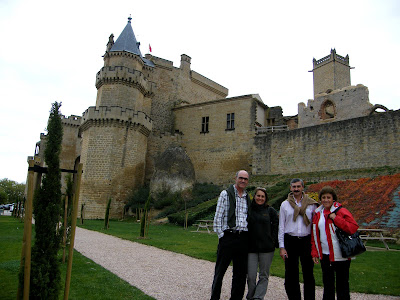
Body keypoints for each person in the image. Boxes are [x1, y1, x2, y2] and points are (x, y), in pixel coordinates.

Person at [311, 186, 359, 300]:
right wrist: (314, 252)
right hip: (325, 255)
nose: (326, 200)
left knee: (342, 285)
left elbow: (353, 228)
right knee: (328, 285)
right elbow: (314, 234)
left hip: (340, 255)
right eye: (323, 197)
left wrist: (336, 219)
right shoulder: (318, 213)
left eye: (328, 197)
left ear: (333, 199)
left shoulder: (341, 211)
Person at [210, 170, 251, 300]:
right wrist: (222, 236)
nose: (243, 181)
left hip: (243, 238)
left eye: (245, 179)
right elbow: (218, 217)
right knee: (220, 271)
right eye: (241, 178)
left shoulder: (247, 197)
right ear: (235, 178)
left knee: (240, 274)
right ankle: (215, 297)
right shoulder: (225, 194)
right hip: (228, 236)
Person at [278, 178, 318, 300]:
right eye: (294, 187)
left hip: (306, 240)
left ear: (302, 188)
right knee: (291, 273)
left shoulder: (312, 204)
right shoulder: (284, 205)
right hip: (290, 240)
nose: (296, 189)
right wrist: (282, 247)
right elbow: (281, 226)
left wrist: (315, 246)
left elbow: (315, 226)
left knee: (308, 273)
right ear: (290, 188)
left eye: (298, 186)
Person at [246, 187, 278, 300]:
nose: (260, 198)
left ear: (266, 198)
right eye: (258, 196)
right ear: (254, 197)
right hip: (251, 248)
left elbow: (276, 226)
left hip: (267, 248)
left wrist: (273, 241)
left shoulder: (270, 211)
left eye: (262, 196)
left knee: (264, 275)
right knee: (251, 276)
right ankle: (251, 296)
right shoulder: (249, 210)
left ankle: (258, 297)